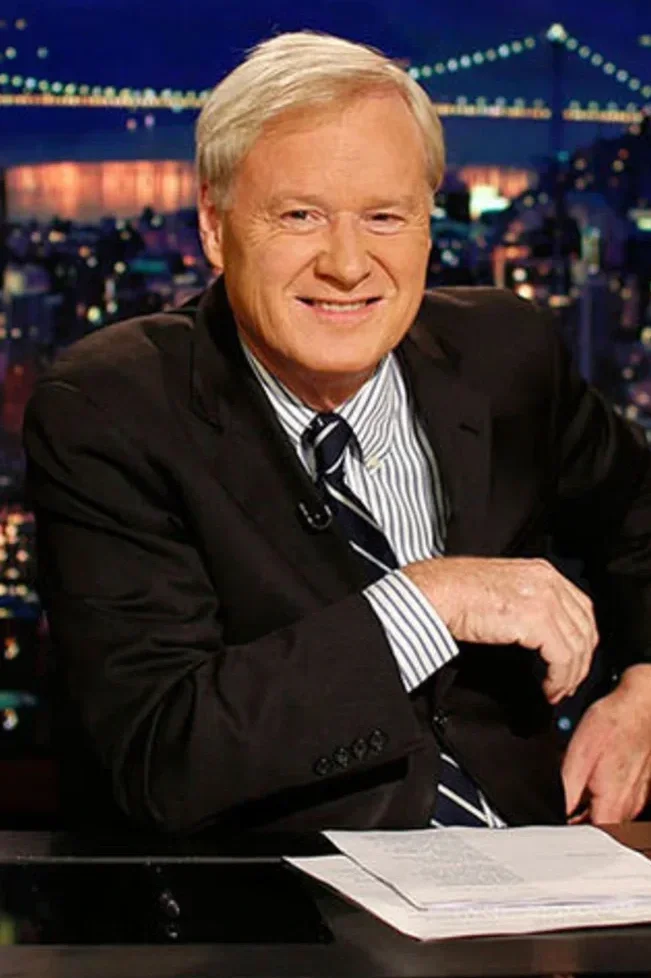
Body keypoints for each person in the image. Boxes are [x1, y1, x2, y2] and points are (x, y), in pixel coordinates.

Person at [23, 31, 651, 835]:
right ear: (214, 226)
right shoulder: (110, 409)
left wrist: (644, 689)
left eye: (384, 216)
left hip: (535, 869)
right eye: (300, 216)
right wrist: (429, 601)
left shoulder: (507, 354)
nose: (348, 265)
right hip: (273, 898)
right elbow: (160, 753)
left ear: (428, 225)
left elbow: (640, 519)